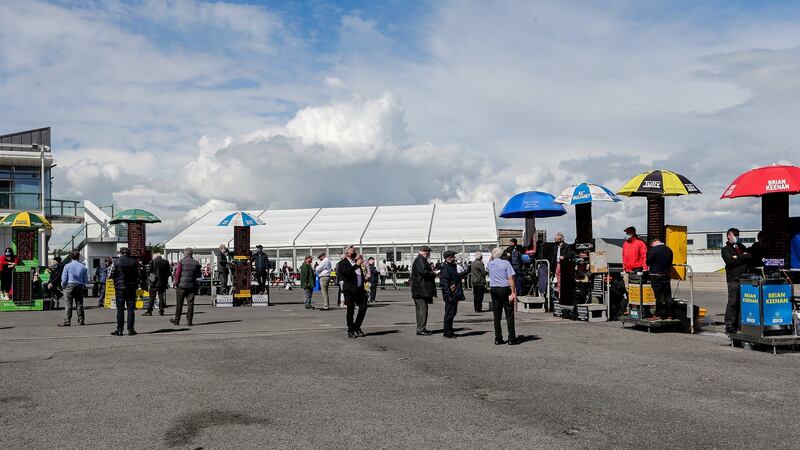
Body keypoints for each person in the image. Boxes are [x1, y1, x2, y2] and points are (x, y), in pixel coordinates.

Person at [721, 228, 751, 334]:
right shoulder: (726, 249)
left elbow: (749, 256)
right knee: (733, 302)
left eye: (738, 234)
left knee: (742, 302)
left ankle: (740, 324)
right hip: (733, 279)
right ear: (729, 236)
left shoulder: (741, 247)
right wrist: (743, 257)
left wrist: (737, 257)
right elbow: (730, 261)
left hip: (744, 278)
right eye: (735, 234)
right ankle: (729, 324)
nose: (737, 236)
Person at [487, 247, 518, 345]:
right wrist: (513, 292)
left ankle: (498, 337)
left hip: (494, 289)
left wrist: (492, 255)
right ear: (501, 254)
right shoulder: (506, 263)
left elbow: (491, 259)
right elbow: (511, 278)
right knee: (509, 314)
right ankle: (511, 338)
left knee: (497, 315)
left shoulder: (490, 264)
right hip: (504, 288)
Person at [336, 245, 367, 338]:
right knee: (350, 310)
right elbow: (346, 273)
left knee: (363, 307)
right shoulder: (342, 263)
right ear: (347, 253)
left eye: (355, 251)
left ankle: (357, 327)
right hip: (349, 290)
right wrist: (356, 265)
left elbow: (360, 274)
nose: (355, 252)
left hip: (360, 289)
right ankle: (350, 329)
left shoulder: (356, 261)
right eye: (353, 251)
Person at [111, 247, 140, 336]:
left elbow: (110, 274)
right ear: (129, 253)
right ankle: (130, 329)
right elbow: (139, 274)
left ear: (120, 253)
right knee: (131, 309)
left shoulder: (116, 262)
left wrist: (116, 279)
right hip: (131, 287)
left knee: (120, 309)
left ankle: (119, 330)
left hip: (120, 287)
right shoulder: (135, 262)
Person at [171, 247, 202, 326]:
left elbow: (177, 273)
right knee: (190, 304)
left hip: (181, 286)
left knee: (179, 304)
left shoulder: (181, 261)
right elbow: (199, 275)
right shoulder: (196, 263)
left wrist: (175, 282)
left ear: (185, 253)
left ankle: (177, 320)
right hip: (191, 285)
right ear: (191, 254)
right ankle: (189, 321)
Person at [410, 245, 436, 336]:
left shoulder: (419, 259)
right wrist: (433, 273)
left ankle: (420, 328)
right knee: (423, 310)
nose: (429, 254)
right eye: (429, 253)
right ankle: (421, 329)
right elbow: (424, 272)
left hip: (419, 289)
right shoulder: (420, 260)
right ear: (426, 252)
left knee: (420, 309)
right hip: (421, 289)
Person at [58, 251, 89, 327]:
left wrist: (63, 285)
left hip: (70, 285)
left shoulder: (67, 266)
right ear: (78, 257)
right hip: (79, 285)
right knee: (79, 304)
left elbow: (64, 278)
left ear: (71, 257)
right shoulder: (83, 266)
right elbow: (85, 279)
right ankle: (81, 320)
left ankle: (67, 321)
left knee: (68, 304)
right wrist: (83, 284)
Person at [646, 238, 674, 320]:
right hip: (666, 275)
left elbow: (648, 262)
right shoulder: (669, 249)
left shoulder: (654, 250)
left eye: (651, 245)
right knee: (667, 296)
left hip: (656, 275)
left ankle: (658, 315)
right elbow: (670, 262)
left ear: (653, 243)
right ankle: (670, 314)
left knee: (658, 297)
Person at [440, 251, 464, 338]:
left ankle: (449, 330)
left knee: (452, 313)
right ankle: (447, 332)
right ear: (449, 257)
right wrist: (448, 294)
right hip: (450, 294)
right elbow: (444, 282)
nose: (455, 258)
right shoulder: (446, 267)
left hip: (454, 293)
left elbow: (454, 278)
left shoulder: (451, 266)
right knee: (449, 313)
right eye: (453, 256)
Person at [551, 232, 576, 301]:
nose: (555, 240)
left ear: (560, 239)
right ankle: (560, 295)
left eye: (557, 238)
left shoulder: (567, 246)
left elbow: (571, 254)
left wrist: (564, 257)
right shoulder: (555, 246)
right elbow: (553, 256)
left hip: (563, 264)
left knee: (564, 281)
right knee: (558, 281)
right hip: (557, 264)